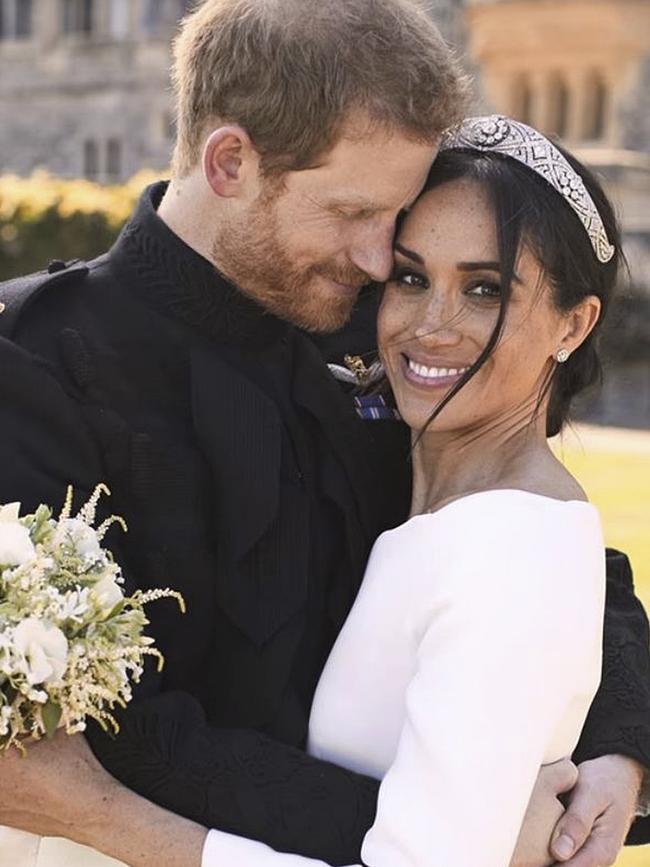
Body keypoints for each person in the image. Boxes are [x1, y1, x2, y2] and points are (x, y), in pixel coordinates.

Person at [0, 2, 648, 866]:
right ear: (230, 162)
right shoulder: (31, 360)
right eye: (354, 213)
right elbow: (126, 735)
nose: (384, 261)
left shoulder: (385, 325)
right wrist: (458, 825)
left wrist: (625, 741)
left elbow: (527, 531)